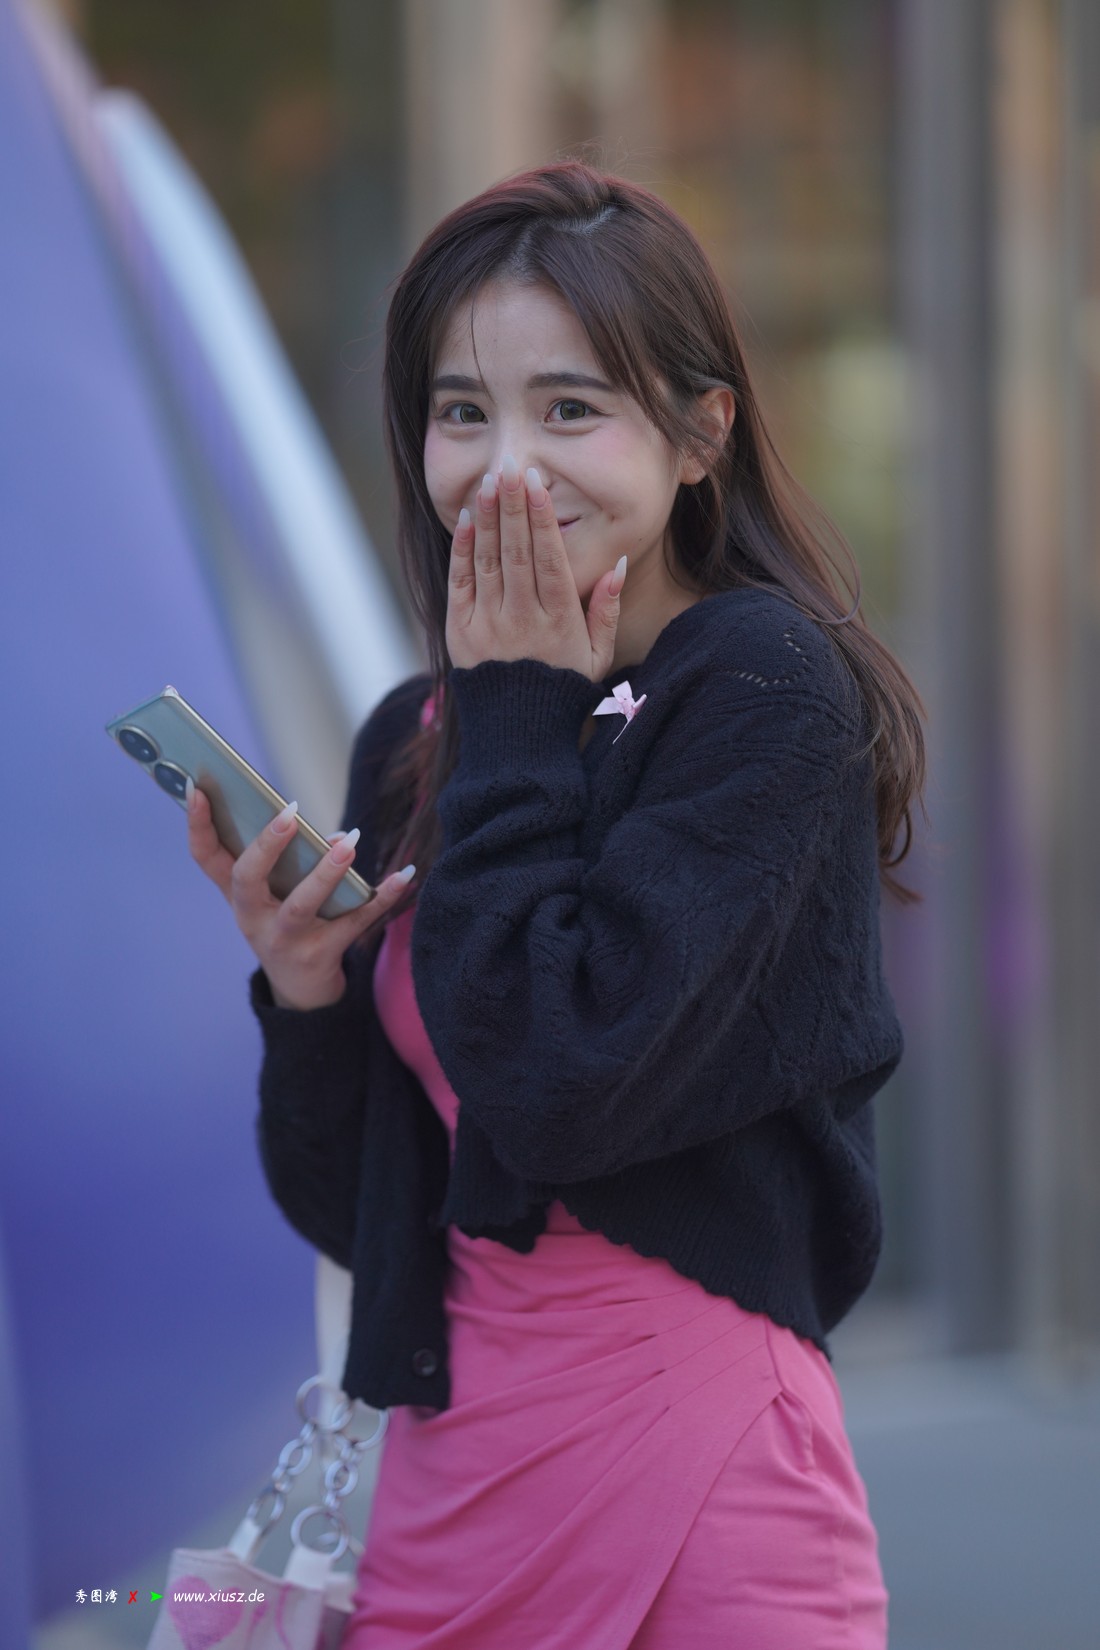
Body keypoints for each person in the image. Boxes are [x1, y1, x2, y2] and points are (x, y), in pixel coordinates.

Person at [186, 161, 925, 1648]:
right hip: (447, 1482)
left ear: (702, 434)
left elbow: (563, 1086)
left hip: (696, 1474)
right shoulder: (420, 736)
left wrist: (520, 707)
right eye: (463, 411)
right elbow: (367, 1216)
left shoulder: (761, 687)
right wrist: (309, 992)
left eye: (570, 408)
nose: (507, 470)